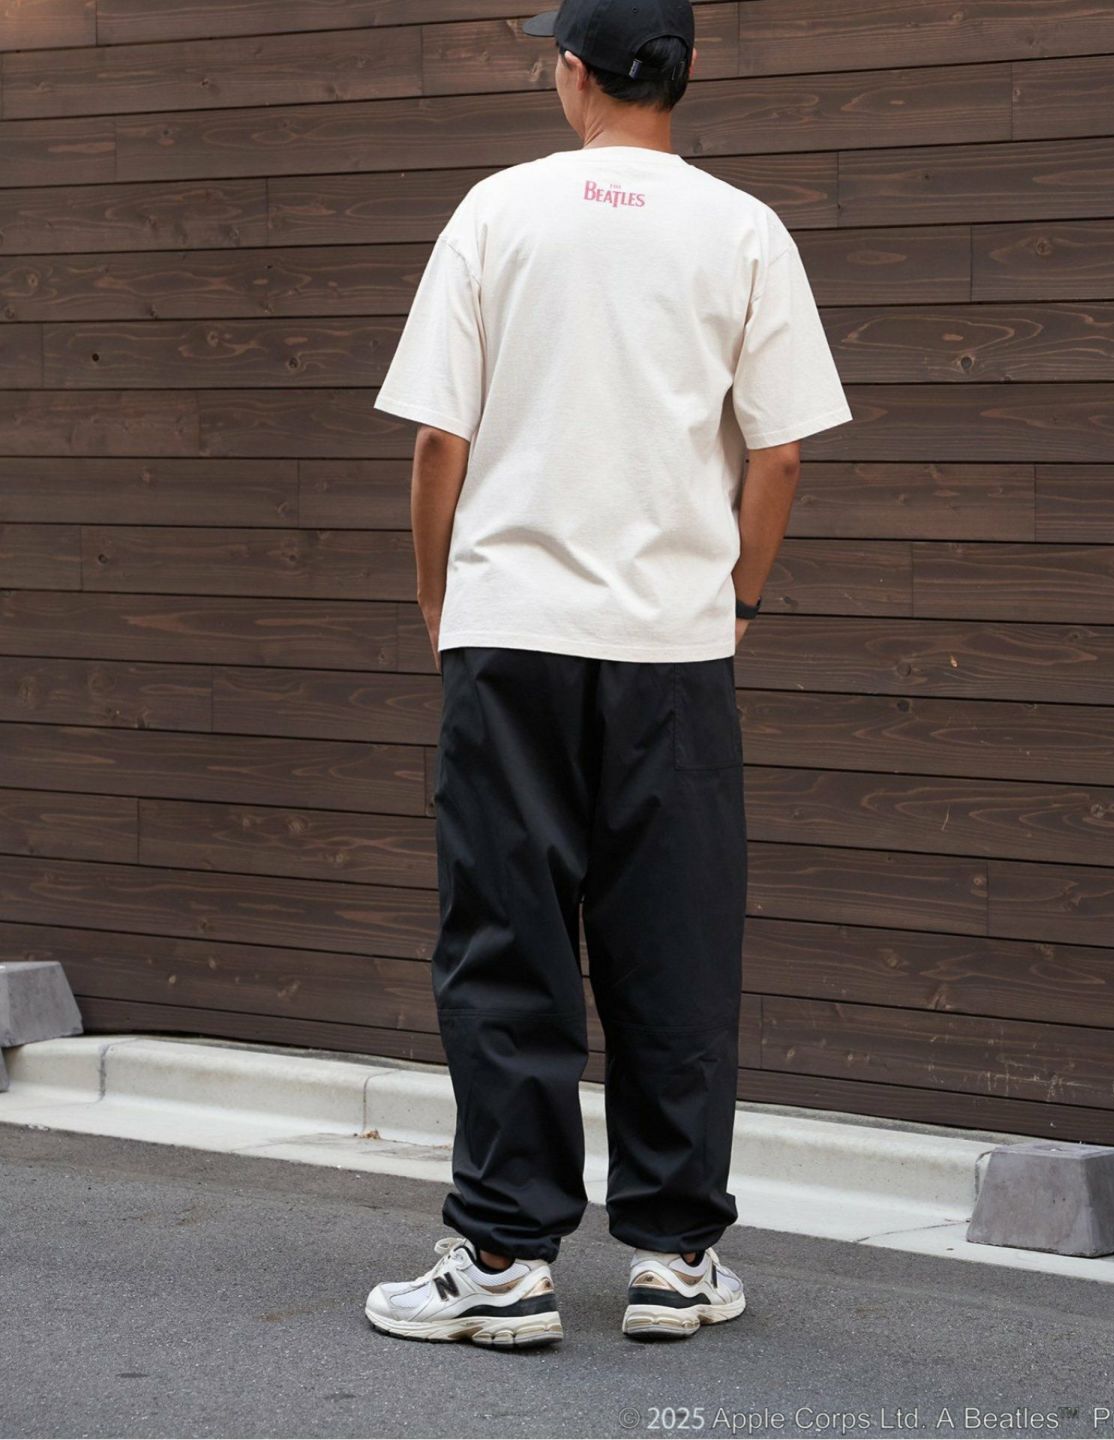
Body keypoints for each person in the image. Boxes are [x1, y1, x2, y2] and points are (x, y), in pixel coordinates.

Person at [364, 0, 852, 1349]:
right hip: (673, 652)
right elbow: (782, 452)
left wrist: (439, 596)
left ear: (573, 72)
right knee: (674, 949)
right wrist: (737, 600)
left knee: (503, 944)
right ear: (680, 76)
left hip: (511, 638)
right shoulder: (744, 229)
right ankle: (675, 1259)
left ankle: (504, 1263)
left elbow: (437, 441)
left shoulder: (497, 213)